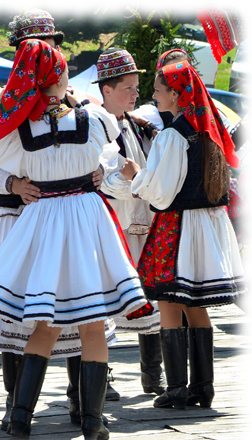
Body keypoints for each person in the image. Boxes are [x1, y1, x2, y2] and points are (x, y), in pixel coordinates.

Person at [0, 39, 149, 440]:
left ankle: (19, 417)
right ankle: (92, 421)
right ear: (62, 76)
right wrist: (101, 176)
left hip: (44, 217)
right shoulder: (97, 117)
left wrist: (17, 181)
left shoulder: (15, 126)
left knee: (45, 323)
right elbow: (109, 165)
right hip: (86, 216)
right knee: (92, 324)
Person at [121, 60, 245, 410]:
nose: (154, 96)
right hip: (206, 225)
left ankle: (176, 387)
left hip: (178, 226)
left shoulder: (173, 135)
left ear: (175, 94)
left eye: (159, 90)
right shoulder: (207, 129)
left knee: (169, 301)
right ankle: (203, 386)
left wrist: (136, 176)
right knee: (196, 305)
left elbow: (161, 191)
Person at [95, 48, 165, 396]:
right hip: (108, 226)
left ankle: (153, 373)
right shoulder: (92, 126)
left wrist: (143, 181)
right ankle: (99, 377)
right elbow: (100, 181)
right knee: (104, 298)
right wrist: (132, 181)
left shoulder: (139, 128)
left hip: (141, 224)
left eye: (137, 87)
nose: (136, 94)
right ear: (106, 89)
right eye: (129, 87)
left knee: (147, 294)